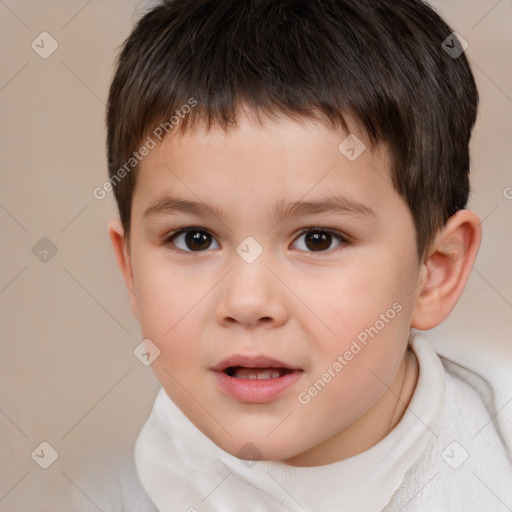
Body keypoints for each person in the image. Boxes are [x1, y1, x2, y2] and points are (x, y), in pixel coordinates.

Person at [104, 0, 512, 510]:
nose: (248, 302)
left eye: (318, 239)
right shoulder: (128, 479)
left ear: (433, 273)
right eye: (195, 239)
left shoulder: (482, 486)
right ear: (131, 273)